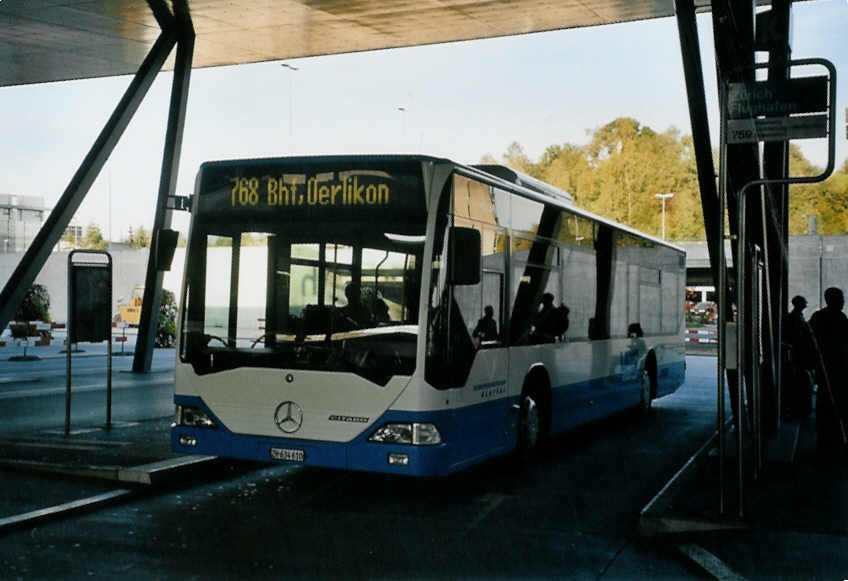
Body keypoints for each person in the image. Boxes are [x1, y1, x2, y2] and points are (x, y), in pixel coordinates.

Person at [808, 287, 848, 456]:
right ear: (835, 300)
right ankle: (836, 438)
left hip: (825, 367)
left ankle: (825, 438)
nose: (843, 301)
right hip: (837, 367)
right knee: (838, 402)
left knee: (825, 401)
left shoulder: (818, 317)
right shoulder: (840, 318)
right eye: (841, 298)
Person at [782, 295, 816, 420]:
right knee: (802, 379)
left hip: (798, 352)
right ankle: (800, 407)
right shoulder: (795, 318)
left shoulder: (795, 316)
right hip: (798, 353)